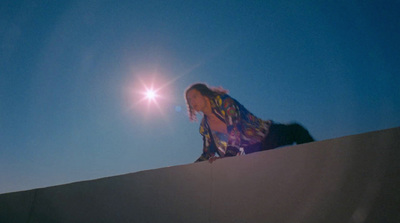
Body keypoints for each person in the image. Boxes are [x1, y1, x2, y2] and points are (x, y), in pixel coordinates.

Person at [185, 83, 315, 163]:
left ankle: (315, 158)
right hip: (251, 150)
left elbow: (235, 129)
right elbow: (208, 152)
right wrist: (191, 169)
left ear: (204, 94)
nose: (192, 101)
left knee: (296, 129)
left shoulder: (224, 102)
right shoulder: (204, 126)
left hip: (266, 134)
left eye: (194, 96)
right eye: (189, 100)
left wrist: (228, 157)